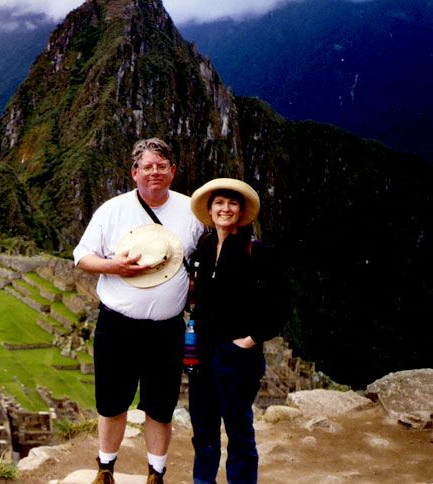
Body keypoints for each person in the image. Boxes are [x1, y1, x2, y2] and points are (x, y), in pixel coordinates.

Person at [73, 138, 204, 484]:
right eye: (147, 166)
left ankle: (155, 474)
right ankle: (105, 469)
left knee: (160, 407)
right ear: (134, 172)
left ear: (173, 171)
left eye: (162, 166)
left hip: (166, 329)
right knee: (112, 402)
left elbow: (205, 260)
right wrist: (114, 266)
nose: (155, 172)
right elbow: (82, 256)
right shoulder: (112, 210)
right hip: (117, 325)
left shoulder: (192, 212)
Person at [187, 178, 285, 484]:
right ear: (211, 209)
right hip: (202, 352)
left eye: (232, 203)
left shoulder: (255, 251)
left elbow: (281, 301)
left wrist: (252, 338)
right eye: (219, 203)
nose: (225, 209)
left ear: (241, 212)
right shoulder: (203, 247)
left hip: (236, 356)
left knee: (239, 430)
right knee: (203, 429)